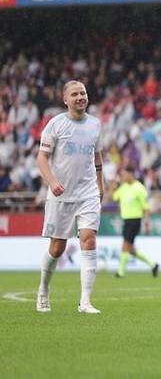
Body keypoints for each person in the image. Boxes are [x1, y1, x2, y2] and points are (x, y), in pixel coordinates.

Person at [36, 80, 104, 314]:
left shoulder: (95, 125)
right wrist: (52, 181)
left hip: (88, 193)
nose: (80, 97)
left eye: (83, 93)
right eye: (75, 94)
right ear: (65, 100)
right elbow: (42, 158)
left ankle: (85, 302)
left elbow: (97, 158)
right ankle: (43, 290)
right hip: (61, 194)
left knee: (89, 239)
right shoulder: (55, 125)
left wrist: (100, 185)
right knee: (57, 248)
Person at [110, 165, 159, 278]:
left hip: (135, 220)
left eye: (124, 174)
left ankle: (120, 272)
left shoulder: (139, 188)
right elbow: (114, 197)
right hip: (126, 220)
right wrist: (112, 185)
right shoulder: (124, 187)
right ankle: (153, 264)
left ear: (131, 174)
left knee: (125, 245)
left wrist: (147, 222)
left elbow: (146, 207)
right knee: (130, 249)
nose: (123, 177)